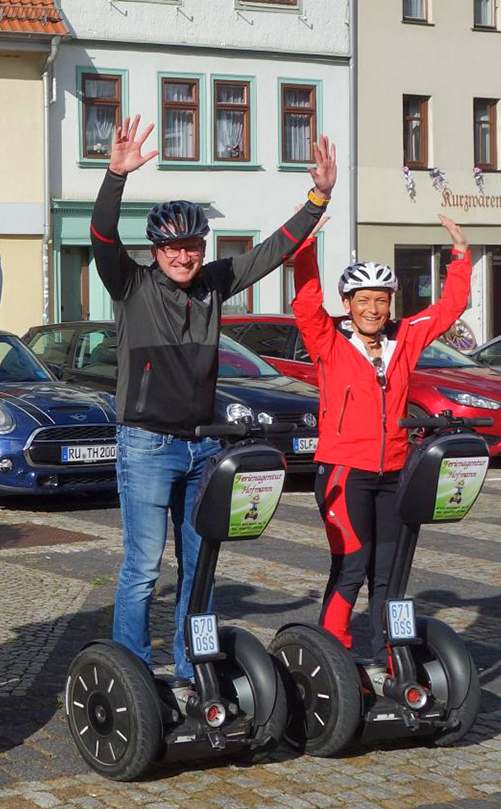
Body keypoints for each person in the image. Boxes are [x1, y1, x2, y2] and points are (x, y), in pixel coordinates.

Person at [94, 116, 334, 685]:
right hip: (146, 446)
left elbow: (275, 250)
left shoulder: (213, 284)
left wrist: (318, 197)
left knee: (200, 567)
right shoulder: (130, 285)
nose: (184, 256)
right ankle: (130, 672)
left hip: (203, 447)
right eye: (173, 247)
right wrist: (114, 177)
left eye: (192, 246)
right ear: (156, 251)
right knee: (142, 570)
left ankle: (189, 664)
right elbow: (103, 235)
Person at [291, 212, 469, 689]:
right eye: (363, 299)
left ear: (392, 303)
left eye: (381, 299)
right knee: (351, 565)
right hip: (344, 471)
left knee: (389, 573)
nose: (373, 308)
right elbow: (306, 301)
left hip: (394, 471)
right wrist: (305, 247)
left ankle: (391, 658)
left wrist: (460, 253)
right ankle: (334, 656)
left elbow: (451, 307)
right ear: (348, 303)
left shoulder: (405, 339)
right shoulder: (328, 340)